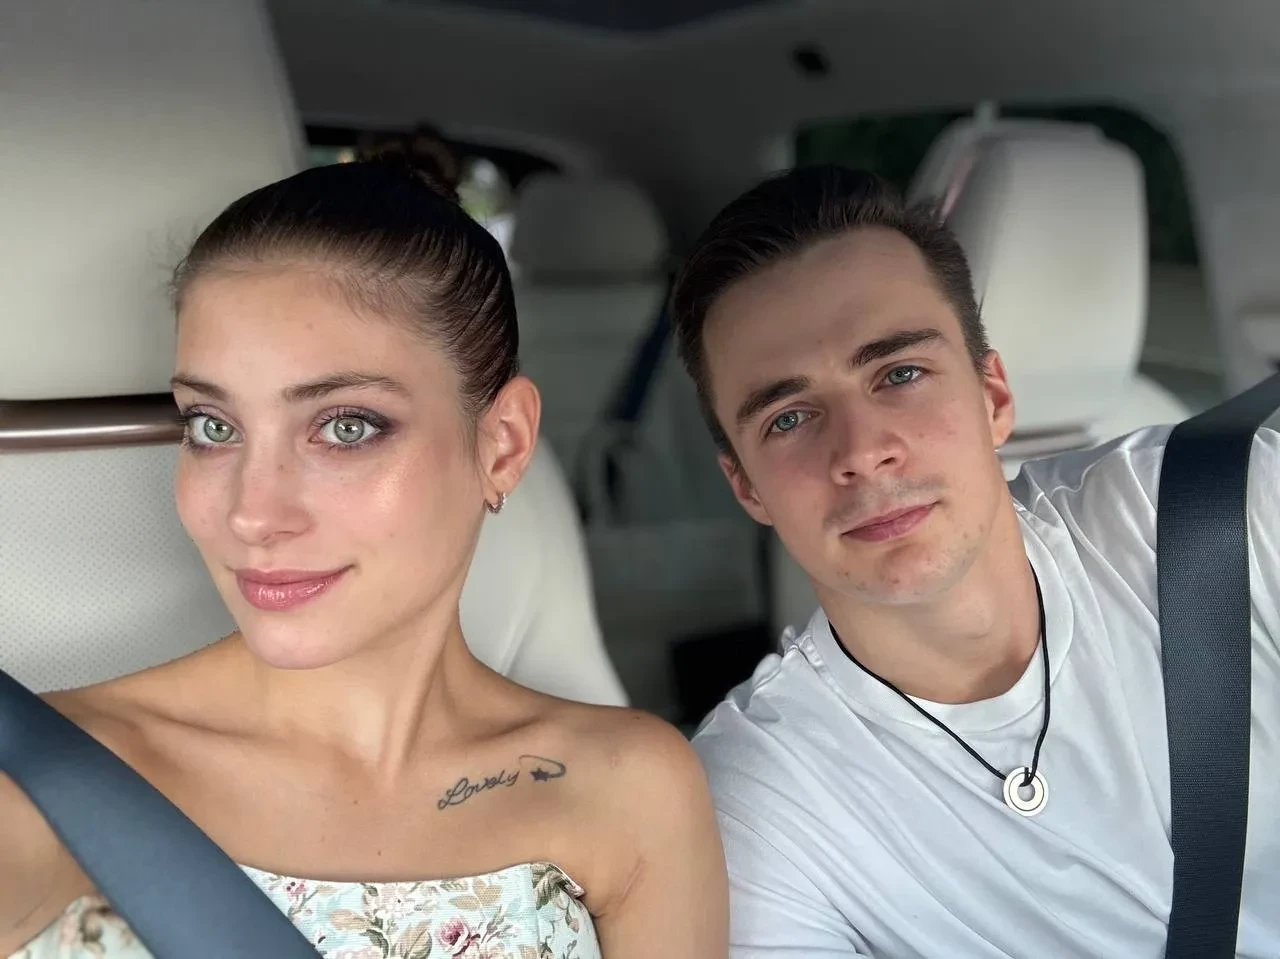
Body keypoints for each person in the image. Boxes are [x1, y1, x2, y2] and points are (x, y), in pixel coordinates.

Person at [0, 154, 727, 958]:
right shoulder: (34, 787)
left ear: (503, 444)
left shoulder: (631, 788)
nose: (251, 513)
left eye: (346, 427)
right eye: (212, 426)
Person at [672, 165, 1280, 957]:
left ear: (994, 396)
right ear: (747, 485)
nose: (862, 451)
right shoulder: (757, 800)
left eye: (900, 374)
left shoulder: (1232, 513)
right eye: (788, 418)